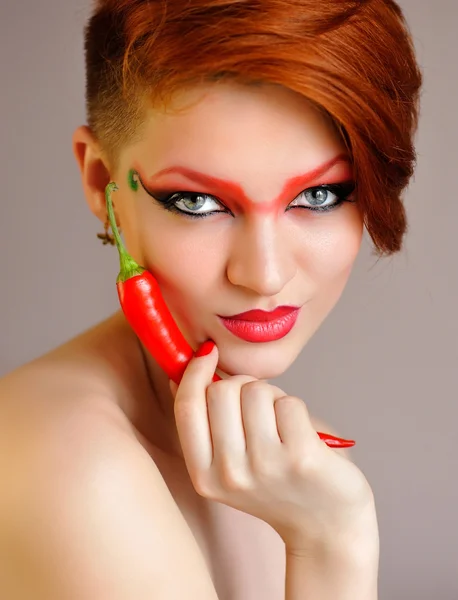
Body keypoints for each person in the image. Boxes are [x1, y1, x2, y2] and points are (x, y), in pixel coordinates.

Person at [0, 0, 422, 598]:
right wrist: (334, 545)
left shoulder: (286, 469)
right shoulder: (68, 467)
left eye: (323, 195)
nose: (265, 274)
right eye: (198, 202)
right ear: (102, 183)